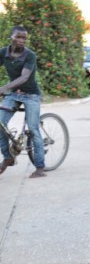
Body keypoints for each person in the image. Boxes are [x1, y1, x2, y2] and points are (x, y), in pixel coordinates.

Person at [0, 25, 47, 178]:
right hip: (14, 94)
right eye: (18, 37)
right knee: (0, 123)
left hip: (31, 95)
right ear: (11, 37)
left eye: (24, 38)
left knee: (33, 129)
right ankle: (8, 157)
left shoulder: (30, 55)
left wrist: (4, 88)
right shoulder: (3, 52)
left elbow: (24, 77)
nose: (21, 40)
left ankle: (40, 167)